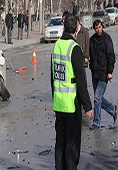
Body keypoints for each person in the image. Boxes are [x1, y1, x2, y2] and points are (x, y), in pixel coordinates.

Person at [51, 14, 93, 169]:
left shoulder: (56, 46)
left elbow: (53, 77)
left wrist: (55, 96)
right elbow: (81, 81)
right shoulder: (74, 48)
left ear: (64, 27)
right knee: (72, 143)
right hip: (71, 104)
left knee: (60, 141)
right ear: (76, 28)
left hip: (59, 102)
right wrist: (87, 106)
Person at [89, 19, 117, 130]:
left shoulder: (107, 39)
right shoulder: (92, 40)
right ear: (94, 29)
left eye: (100, 27)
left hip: (104, 73)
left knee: (96, 98)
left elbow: (111, 56)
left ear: (102, 27)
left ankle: (96, 122)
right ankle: (113, 109)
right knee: (98, 98)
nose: (98, 29)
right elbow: (90, 55)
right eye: (96, 28)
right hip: (95, 73)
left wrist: (110, 72)